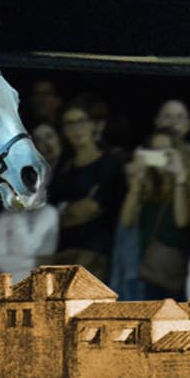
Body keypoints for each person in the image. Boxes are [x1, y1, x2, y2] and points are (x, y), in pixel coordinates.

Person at [120, 128, 190, 300]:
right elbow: (126, 221)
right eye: (155, 151)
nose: (161, 156)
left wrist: (179, 177)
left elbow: (181, 220)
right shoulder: (149, 189)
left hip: (178, 274)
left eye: (166, 150)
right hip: (150, 273)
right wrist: (137, 181)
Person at [50, 100, 126, 281]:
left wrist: (66, 211)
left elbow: (91, 208)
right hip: (62, 253)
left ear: (93, 125)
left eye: (81, 122)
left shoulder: (111, 165)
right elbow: (52, 215)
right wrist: (68, 212)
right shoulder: (62, 168)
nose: (77, 129)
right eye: (70, 124)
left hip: (97, 253)